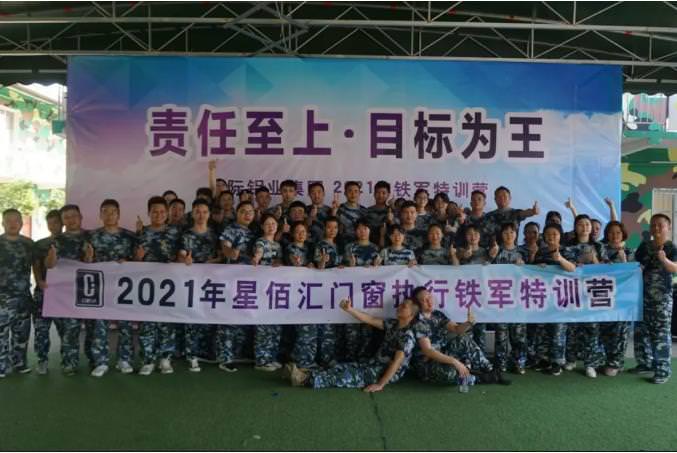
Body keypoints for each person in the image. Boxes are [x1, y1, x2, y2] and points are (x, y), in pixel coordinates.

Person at [286, 298, 418, 392]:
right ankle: (307, 373)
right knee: (341, 367)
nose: (399, 306)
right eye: (401, 304)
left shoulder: (407, 336)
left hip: (383, 372)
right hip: (373, 364)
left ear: (411, 315)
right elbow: (371, 319)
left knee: (347, 375)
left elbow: (397, 362)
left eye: (404, 306)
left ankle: (303, 379)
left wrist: (380, 384)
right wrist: (349, 309)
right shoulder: (393, 324)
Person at [410, 286, 509, 386]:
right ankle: (478, 379)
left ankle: (491, 370)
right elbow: (428, 351)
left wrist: (468, 323)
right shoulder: (418, 322)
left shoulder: (437, 315)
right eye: (424, 300)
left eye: (429, 297)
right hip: (427, 362)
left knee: (463, 339)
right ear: (418, 304)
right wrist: (454, 362)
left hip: (442, 353)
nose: (429, 301)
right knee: (449, 374)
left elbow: (456, 329)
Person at [83, 199, 136, 378]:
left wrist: (128, 262)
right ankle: (101, 362)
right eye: (105, 211)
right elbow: (85, 262)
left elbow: (138, 261)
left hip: (124, 288)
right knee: (100, 325)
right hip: (101, 287)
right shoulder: (92, 236)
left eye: (113, 212)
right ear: (100, 214)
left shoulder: (130, 236)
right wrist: (89, 258)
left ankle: (124, 359)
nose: (109, 215)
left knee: (125, 325)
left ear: (118, 214)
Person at [134, 196, 181, 376]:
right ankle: (148, 360)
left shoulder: (175, 232)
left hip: (170, 285)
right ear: (148, 213)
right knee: (147, 324)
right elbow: (133, 261)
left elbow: (181, 256)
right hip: (147, 286)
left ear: (167, 213)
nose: (159, 215)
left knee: (167, 323)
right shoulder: (142, 233)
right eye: (155, 212)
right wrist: (138, 257)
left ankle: (165, 359)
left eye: (162, 211)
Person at [177, 199, 222, 372]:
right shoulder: (186, 235)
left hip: (210, 283)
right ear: (192, 214)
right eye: (197, 211)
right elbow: (181, 255)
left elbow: (220, 257)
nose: (201, 215)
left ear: (209, 214)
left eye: (204, 212)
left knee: (208, 317)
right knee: (192, 317)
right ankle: (191, 355)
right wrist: (186, 259)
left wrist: (210, 262)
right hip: (191, 283)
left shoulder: (215, 235)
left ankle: (206, 353)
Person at [45, 204, 89, 375]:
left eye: (74, 216)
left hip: (91, 291)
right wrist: (51, 258)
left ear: (81, 217)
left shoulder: (92, 236)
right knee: (70, 329)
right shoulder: (58, 240)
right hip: (66, 293)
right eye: (66, 217)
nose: (71, 220)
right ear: (63, 221)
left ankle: (96, 361)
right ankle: (69, 362)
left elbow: (102, 262)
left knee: (94, 330)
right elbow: (49, 265)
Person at [632, 213, 676, 384]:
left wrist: (664, 260)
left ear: (668, 227)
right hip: (641, 298)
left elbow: (675, 268)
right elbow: (635, 266)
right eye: (653, 225)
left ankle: (663, 370)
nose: (656, 228)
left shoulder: (671, 248)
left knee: (660, 334)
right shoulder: (644, 246)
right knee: (641, 332)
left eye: (660, 225)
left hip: (661, 300)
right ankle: (645, 363)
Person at [531, 223, 576, 376]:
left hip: (561, 297)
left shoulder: (566, 250)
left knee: (558, 330)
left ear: (560, 236)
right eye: (548, 234)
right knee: (542, 329)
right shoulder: (541, 252)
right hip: (543, 296)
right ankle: (544, 359)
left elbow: (572, 268)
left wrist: (560, 259)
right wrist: (539, 267)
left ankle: (557, 362)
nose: (551, 237)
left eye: (554, 234)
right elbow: (531, 272)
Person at [562, 214, 604, 378]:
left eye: (587, 224)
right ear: (575, 227)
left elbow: (606, 268)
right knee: (572, 327)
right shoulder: (568, 247)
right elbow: (566, 266)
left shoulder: (599, 246)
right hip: (573, 292)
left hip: (593, 293)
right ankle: (571, 359)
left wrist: (595, 261)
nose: (584, 227)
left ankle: (590, 363)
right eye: (580, 224)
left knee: (591, 328)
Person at [217, 201, 257, 372]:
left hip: (249, 281)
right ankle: (225, 357)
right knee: (229, 318)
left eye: (250, 212)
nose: (247, 214)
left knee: (243, 317)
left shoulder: (253, 232)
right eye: (243, 211)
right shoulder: (231, 229)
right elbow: (225, 247)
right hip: (232, 279)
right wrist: (231, 253)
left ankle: (238, 354)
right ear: (237, 213)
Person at [0, 209, 34, 378]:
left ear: (21, 223)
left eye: (16, 220)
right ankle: (1, 365)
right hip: (2, 298)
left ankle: (19, 363)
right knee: (1, 333)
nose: (13, 224)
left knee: (22, 333)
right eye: (9, 220)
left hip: (23, 297)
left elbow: (38, 265)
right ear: (3, 223)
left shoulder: (29, 244)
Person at [491, 222, 528, 374]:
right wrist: (491, 257)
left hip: (519, 299)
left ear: (516, 234)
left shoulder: (523, 252)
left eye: (512, 232)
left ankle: (519, 362)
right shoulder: (495, 251)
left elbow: (533, 272)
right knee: (501, 333)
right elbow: (487, 272)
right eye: (505, 232)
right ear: (501, 235)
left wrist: (524, 266)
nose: (509, 235)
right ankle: (500, 363)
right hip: (500, 298)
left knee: (518, 334)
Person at [342, 218, 380, 361]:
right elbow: (342, 270)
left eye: (365, 228)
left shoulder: (376, 249)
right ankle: (350, 358)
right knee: (351, 328)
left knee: (367, 327)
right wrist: (350, 266)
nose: (362, 231)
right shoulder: (349, 247)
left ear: (370, 230)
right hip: (352, 293)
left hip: (369, 295)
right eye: (359, 229)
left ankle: (364, 359)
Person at [599, 221, 633, 376]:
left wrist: (624, 259)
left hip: (622, 298)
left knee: (620, 330)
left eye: (618, 232)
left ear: (623, 234)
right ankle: (607, 360)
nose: (615, 235)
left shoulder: (629, 251)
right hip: (604, 296)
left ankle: (616, 363)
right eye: (611, 232)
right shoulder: (601, 250)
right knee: (606, 329)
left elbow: (633, 273)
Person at [31, 209, 63, 375]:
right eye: (49, 223)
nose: (52, 226)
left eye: (55, 222)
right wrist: (39, 281)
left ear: (62, 223)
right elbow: (36, 265)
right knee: (41, 329)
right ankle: (42, 360)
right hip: (43, 292)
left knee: (66, 330)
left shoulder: (70, 241)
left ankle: (68, 360)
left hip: (64, 295)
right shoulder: (40, 244)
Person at [251, 214, 283, 371]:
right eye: (268, 224)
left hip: (275, 288)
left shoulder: (278, 245)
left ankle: (271, 356)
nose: (271, 226)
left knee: (275, 324)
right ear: (262, 226)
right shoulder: (260, 242)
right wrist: (256, 258)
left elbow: (280, 261)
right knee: (263, 324)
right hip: (262, 288)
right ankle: (261, 360)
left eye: (273, 224)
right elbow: (258, 253)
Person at [334, 181, 367, 248]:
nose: (353, 194)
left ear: (359, 193)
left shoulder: (364, 211)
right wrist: (334, 211)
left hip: (359, 246)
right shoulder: (339, 209)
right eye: (350, 191)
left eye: (356, 191)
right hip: (342, 245)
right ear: (345, 193)